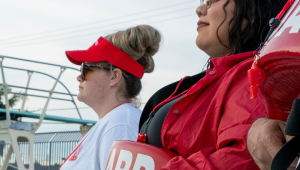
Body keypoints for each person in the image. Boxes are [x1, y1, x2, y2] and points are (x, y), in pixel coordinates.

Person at [138, 0, 287, 169]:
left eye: (212, 2)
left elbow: (241, 157)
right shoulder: (218, 77)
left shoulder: (257, 76)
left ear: (253, 11)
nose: (200, 10)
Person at [59, 25, 161, 170]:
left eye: (86, 69)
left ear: (114, 76)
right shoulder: (115, 121)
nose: (79, 77)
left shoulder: (120, 126)